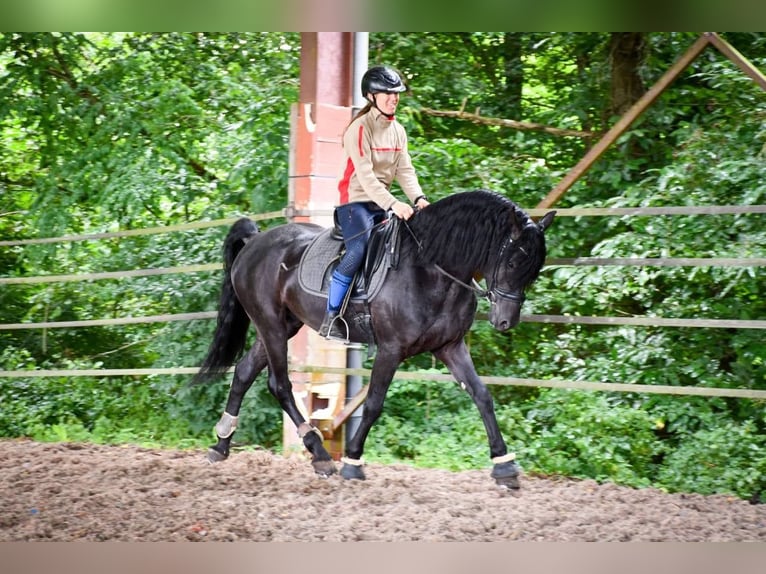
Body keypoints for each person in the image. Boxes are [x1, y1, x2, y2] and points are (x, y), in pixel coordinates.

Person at [319, 65, 430, 340]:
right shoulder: (358, 129)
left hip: (381, 203)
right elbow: (366, 177)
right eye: (387, 93)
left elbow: (405, 170)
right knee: (359, 249)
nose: (394, 98)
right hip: (354, 203)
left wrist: (418, 198)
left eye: (397, 93)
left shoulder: (398, 131)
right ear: (371, 96)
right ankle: (331, 316)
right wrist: (394, 204)